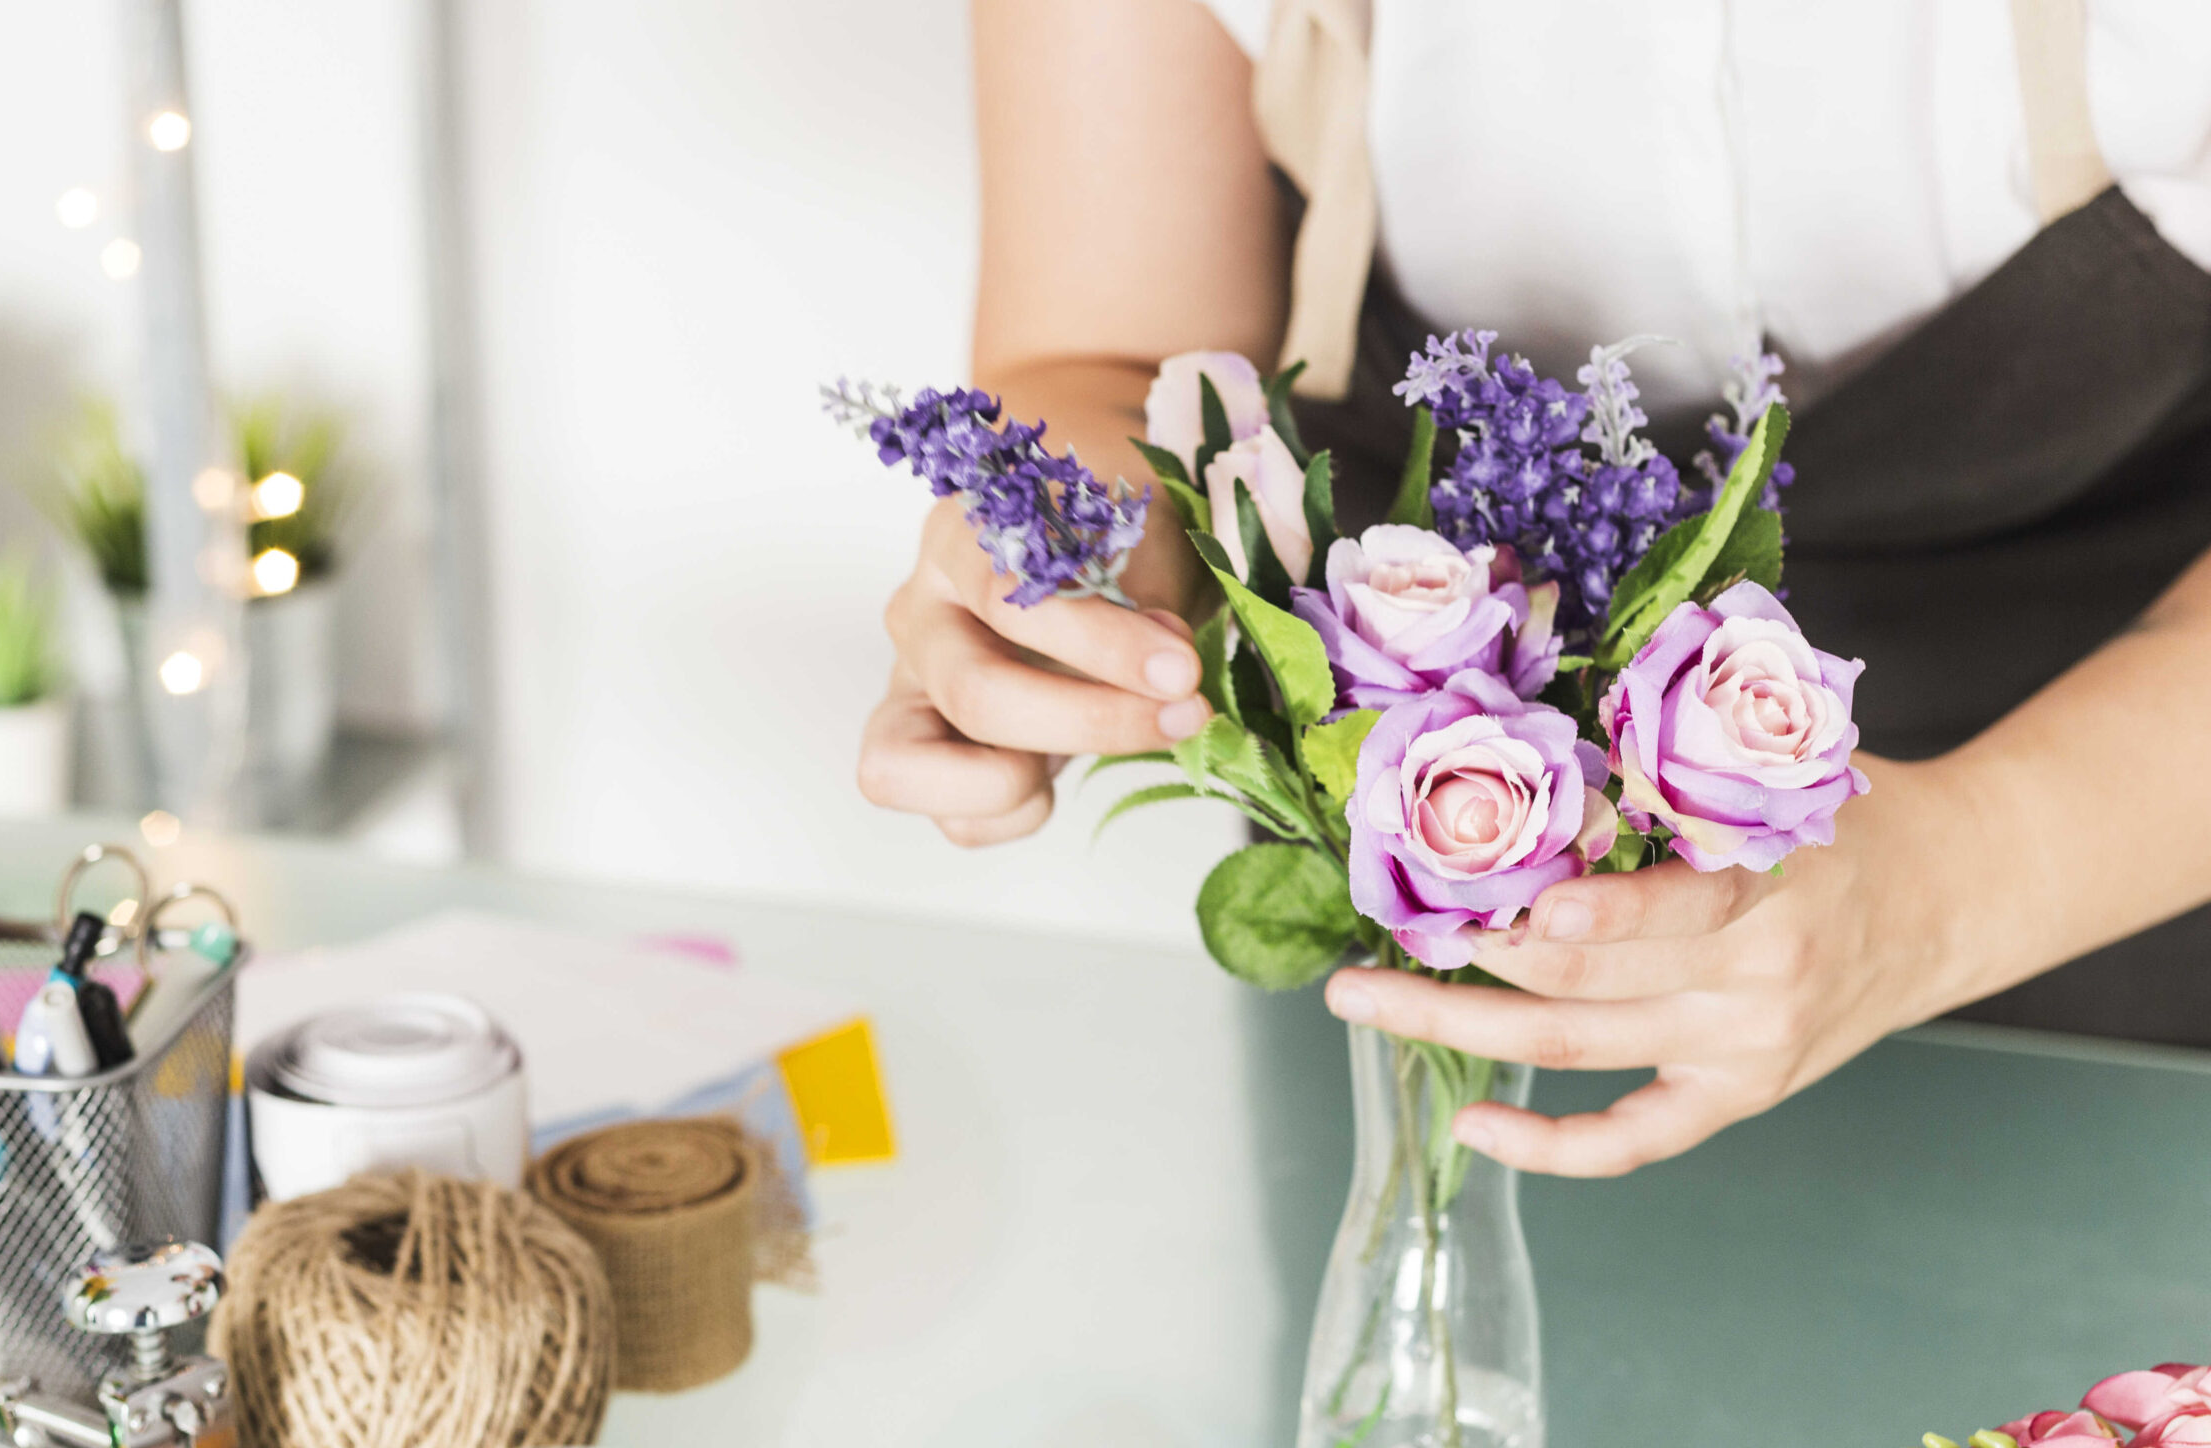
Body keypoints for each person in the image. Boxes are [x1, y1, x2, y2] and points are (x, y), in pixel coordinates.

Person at [854, 0, 2211, 1177]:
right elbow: (1109, 353)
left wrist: (1961, 886)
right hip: (1453, 971)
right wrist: (1059, 563)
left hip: (2125, 862)